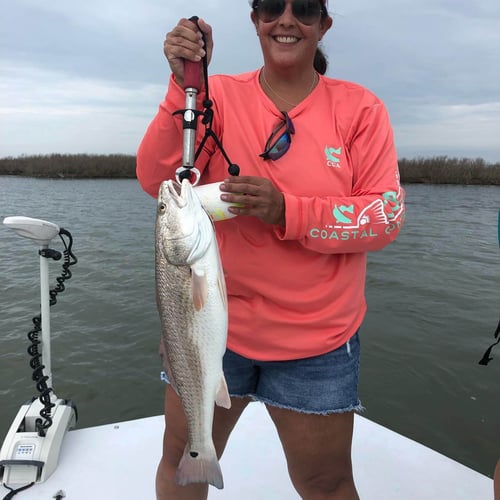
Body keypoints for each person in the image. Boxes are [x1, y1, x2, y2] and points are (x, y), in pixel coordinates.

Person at [137, 1, 405, 498]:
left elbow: (384, 218)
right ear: (254, 20)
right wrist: (182, 86)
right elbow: (158, 180)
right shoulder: (211, 95)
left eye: (303, 8)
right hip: (211, 333)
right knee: (181, 459)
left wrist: (289, 211)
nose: (286, 20)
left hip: (317, 345)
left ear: (323, 25)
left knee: (325, 482)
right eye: (270, 7)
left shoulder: (360, 110)